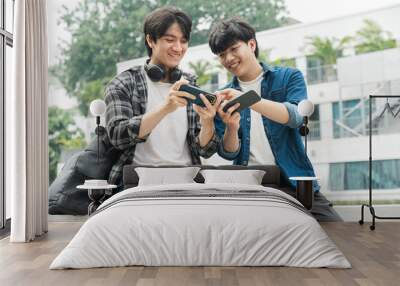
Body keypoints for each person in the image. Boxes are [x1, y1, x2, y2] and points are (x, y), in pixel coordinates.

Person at [209, 17, 341, 221]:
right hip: (248, 187)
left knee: (336, 230)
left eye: (234, 49)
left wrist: (249, 99)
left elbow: (297, 117)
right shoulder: (223, 95)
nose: (229, 58)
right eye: (222, 55)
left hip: (294, 183)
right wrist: (231, 127)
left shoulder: (289, 77)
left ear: (251, 44)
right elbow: (228, 152)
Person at [104, 6, 221, 186]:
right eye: (170, 40)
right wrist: (165, 108)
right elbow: (118, 137)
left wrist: (207, 123)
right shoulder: (124, 83)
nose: (178, 48)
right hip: (137, 183)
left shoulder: (189, 84)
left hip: (187, 181)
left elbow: (205, 149)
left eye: (183, 41)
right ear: (151, 40)